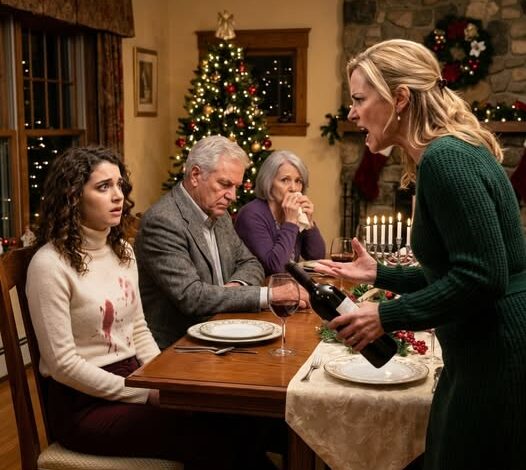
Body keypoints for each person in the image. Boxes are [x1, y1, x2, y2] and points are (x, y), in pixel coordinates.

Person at [315, 39, 526, 470]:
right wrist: (379, 274)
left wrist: (385, 316)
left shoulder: (446, 159)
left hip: (496, 353)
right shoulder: (446, 153)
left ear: (400, 98)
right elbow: (455, 271)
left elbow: (484, 277)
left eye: (359, 99)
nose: (352, 113)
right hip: (482, 348)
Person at [26, 146, 280, 469]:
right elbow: (62, 365)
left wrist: (161, 380)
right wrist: (144, 392)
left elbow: (138, 328)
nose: (118, 196)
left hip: (134, 378)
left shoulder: (122, 251)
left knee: (235, 419)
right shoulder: (49, 264)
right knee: (212, 436)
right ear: (73, 196)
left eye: (119, 185)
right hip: (84, 404)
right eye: (103, 187)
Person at [135, 135, 307, 349]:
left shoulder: (220, 214)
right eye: (225, 184)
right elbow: (192, 297)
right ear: (195, 175)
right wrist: (270, 295)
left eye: (236, 186)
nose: (232, 196)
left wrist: (235, 289)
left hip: (226, 331)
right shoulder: (163, 221)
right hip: (180, 347)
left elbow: (251, 263)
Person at [235, 150, 326, 275]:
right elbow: (275, 268)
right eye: (285, 180)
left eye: (298, 181)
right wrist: (290, 223)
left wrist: (309, 224)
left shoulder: (295, 212)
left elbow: (317, 257)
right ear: (269, 182)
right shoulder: (251, 214)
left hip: (289, 284)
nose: (293, 188)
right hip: (263, 284)